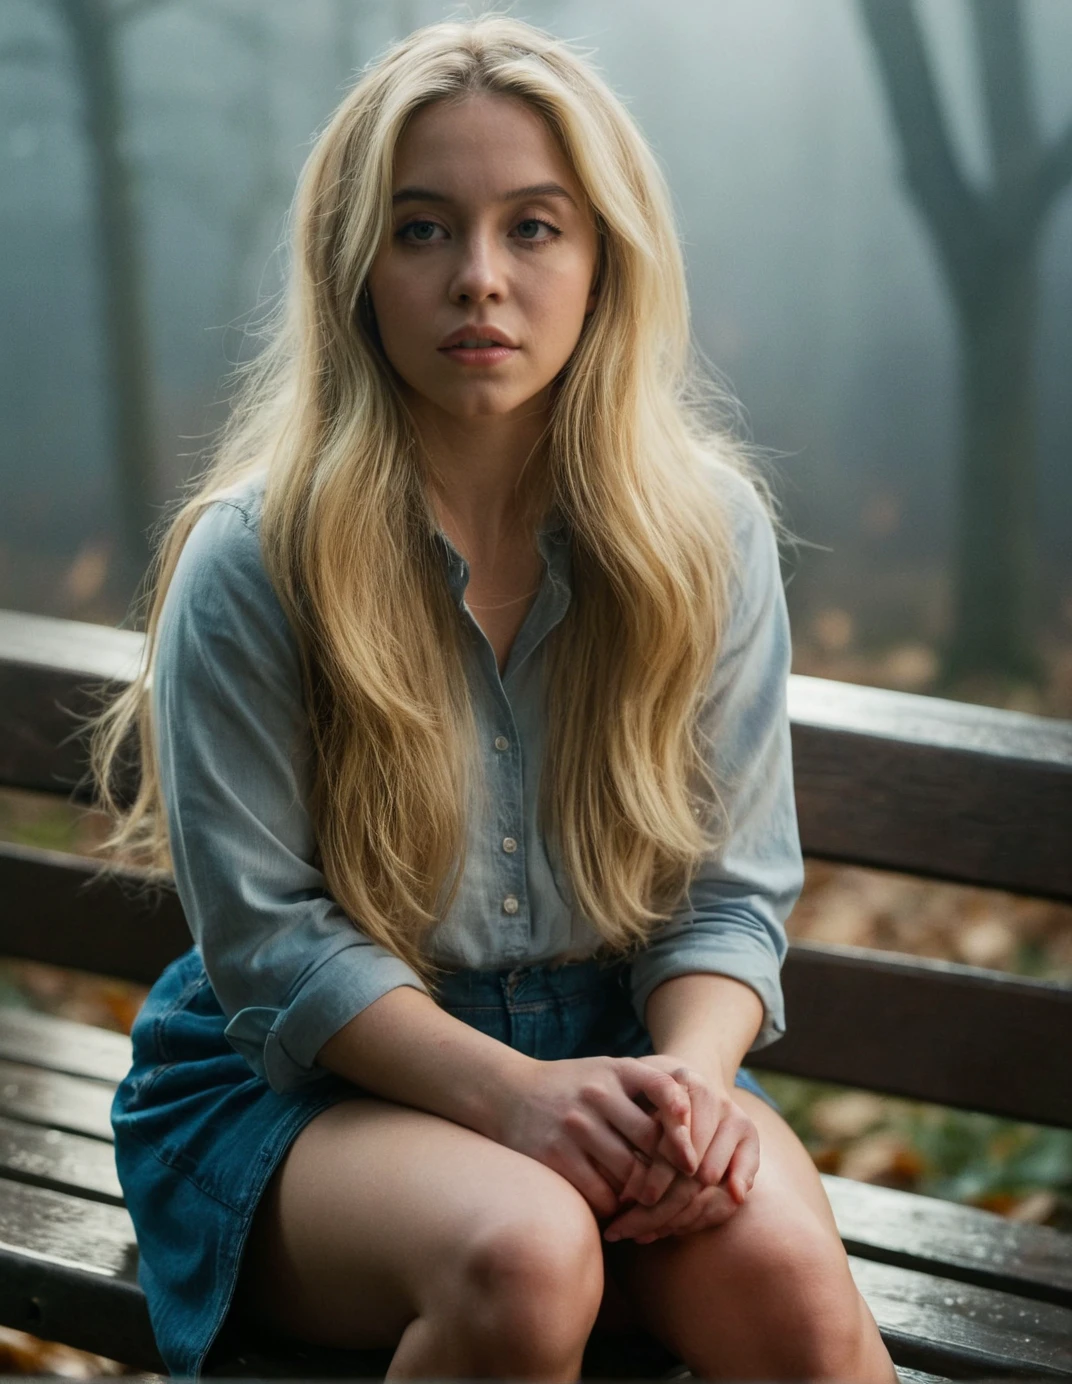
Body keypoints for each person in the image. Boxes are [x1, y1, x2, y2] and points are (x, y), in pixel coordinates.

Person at [91, 13, 898, 1383]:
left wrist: (693, 1092)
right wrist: (518, 1102)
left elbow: (727, 891)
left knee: (784, 1279)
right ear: (354, 268)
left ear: (604, 260)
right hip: (308, 1090)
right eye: (421, 230)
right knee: (524, 1256)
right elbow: (274, 951)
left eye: (534, 227)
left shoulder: (706, 539)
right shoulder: (255, 557)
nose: (480, 278)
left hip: (619, 1058)